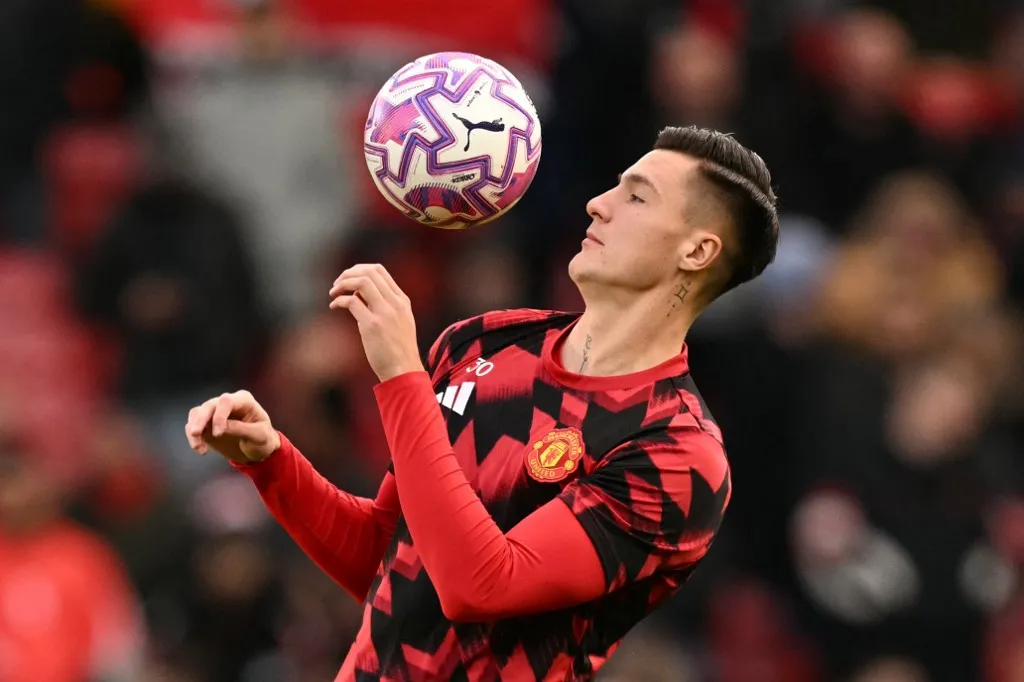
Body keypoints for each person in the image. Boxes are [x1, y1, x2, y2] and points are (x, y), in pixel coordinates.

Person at [184, 125, 780, 681]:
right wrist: (272, 463)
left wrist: (401, 376)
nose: (599, 203)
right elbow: (390, 561)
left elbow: (481, 585)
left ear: (698, 252)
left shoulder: (676, 452)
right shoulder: (484, 343)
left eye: (637, 197)